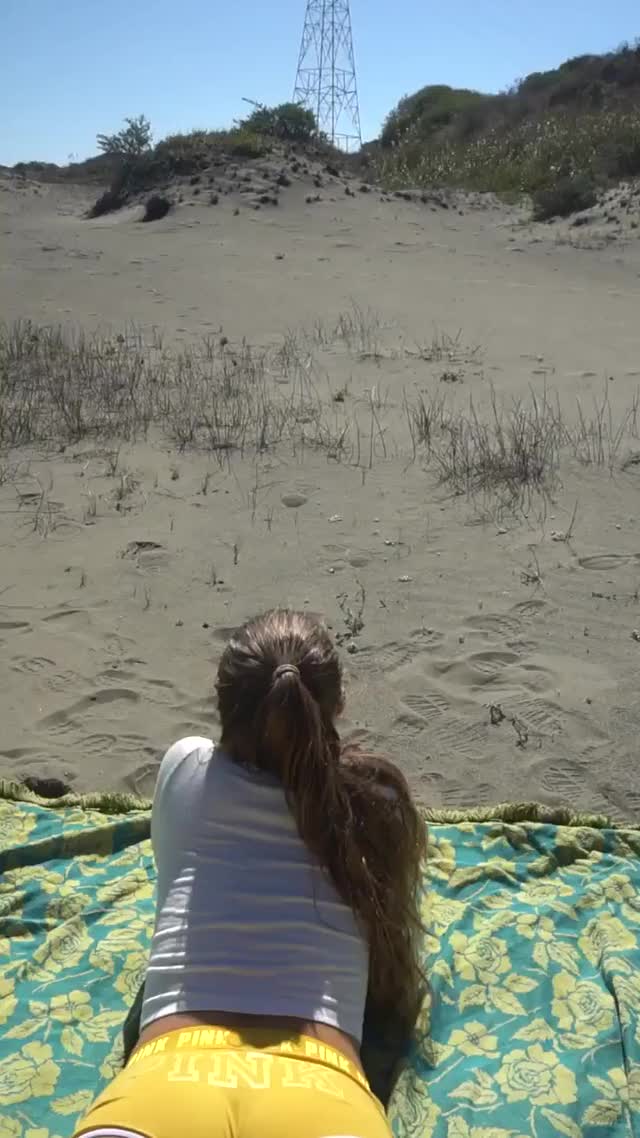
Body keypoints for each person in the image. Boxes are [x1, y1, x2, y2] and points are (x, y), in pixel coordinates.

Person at [74, 609, 426, 1138]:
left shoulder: (185, 768)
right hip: (322, 1087)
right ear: (337, 705)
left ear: (222, 705)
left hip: (168, 1071)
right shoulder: (376, 797)